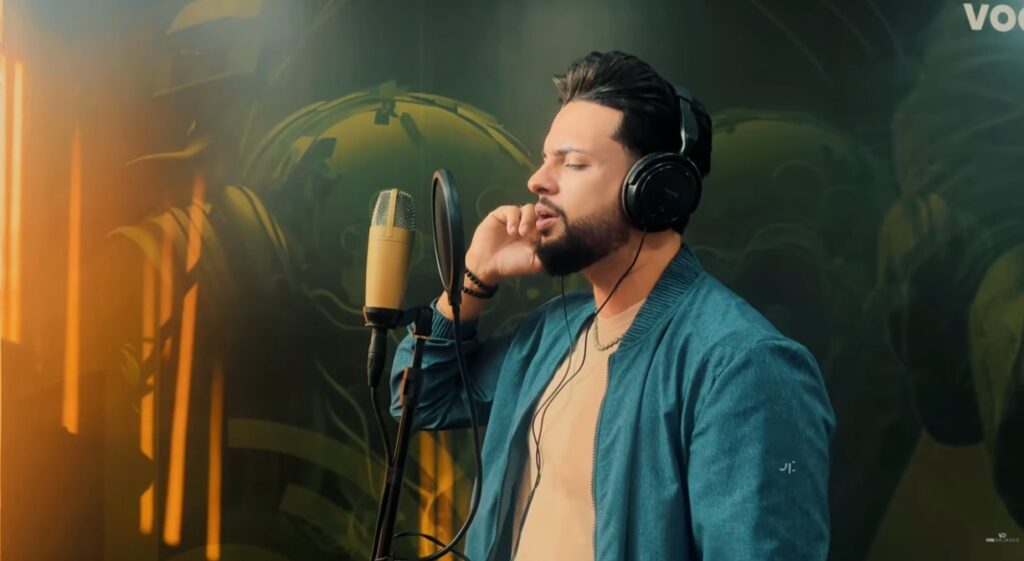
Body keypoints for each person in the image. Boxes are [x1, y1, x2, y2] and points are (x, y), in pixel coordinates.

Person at [390, 50, 835, 561]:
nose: (538, 181)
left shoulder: (743, 365)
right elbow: (418, 401)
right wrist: (474, 280)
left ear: (656, 188)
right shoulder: (550, 335)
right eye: (546, 159)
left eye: (573, 163)